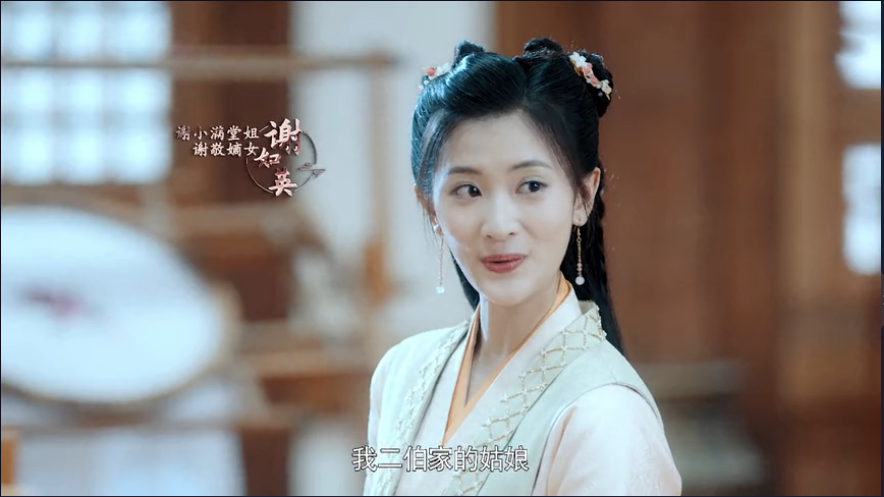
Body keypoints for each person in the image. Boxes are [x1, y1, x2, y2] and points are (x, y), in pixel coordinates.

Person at [362, 37, 682, 496]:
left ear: (583, 195)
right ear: (430, 206)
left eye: (531, 185)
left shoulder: (606, 415)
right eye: (468, 190)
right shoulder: (401, 373)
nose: (498, 225)